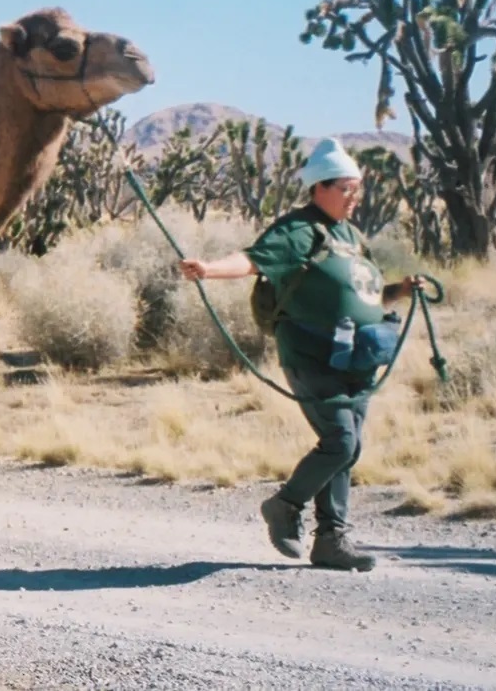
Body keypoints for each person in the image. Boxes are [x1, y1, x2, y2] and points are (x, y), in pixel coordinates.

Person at [178, 138, 423, 572]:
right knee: (340, 440)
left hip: (357, 354)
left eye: (358, 188)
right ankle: (285, 505)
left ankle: (331, 541)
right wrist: (210, 270)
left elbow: (360, 293)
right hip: (311, 352)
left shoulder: (351, 235)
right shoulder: (297, 230)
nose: (355, 197)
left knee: (349, 445)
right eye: (346, 188)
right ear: (319, 189)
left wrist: (399, 292)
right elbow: (253, 261)